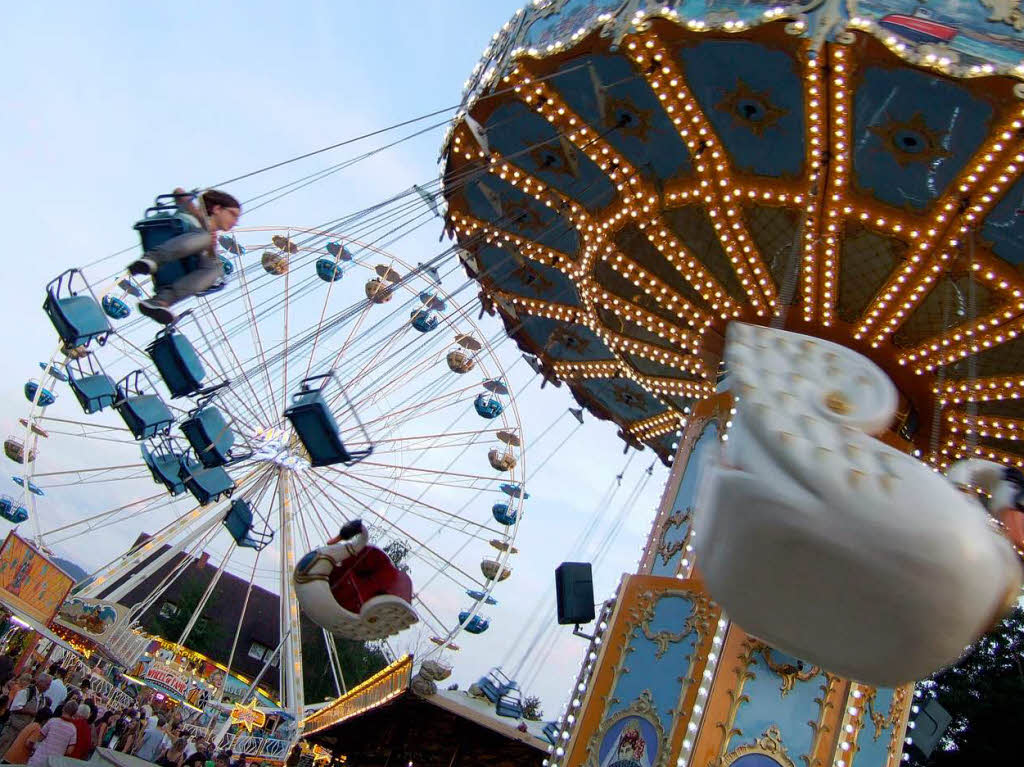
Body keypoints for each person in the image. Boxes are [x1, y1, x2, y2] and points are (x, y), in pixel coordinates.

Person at [128, 188, 242, 324]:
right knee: (204, 237)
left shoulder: (211, 239)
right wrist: (203, 222)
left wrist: (211, 248)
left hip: (183, 263)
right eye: (233, 215)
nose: (235, 221)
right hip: (172, 235)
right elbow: (179, 192)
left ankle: (160, 301)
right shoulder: (194, 213)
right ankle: (151, 259)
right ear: (218, 209)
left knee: (216, 269)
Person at [0, 674, 49, 756]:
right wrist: (32, 712)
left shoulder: (42, 699)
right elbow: (15, 707)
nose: (48, 687)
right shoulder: (27, 692)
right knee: (2, 748)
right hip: (13, 728)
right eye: (47, 684)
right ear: (40, 682)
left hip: (23, 732)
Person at [26, 701, 78, 767]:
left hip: (39, 759)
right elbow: (69, 751)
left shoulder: (52, 721)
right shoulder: (73, 729)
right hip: (53, 763)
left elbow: (39, 737)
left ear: (63, 709)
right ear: (74, 713)